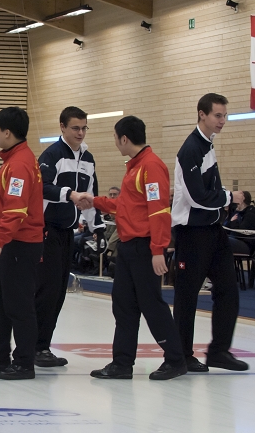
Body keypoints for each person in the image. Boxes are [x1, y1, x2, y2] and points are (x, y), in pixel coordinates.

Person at [88, 116, 186, 380]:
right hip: (129, 248)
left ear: (124, 138)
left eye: (115, 138)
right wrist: (95, 201)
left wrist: (158, 249)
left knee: (151, 304)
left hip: (144, 248)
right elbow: (126, 206)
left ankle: (176, 359)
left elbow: (159, 211)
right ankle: (121, 363)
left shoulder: (150, 167)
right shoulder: (134, 168)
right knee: (124, 306)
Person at [171, 93, 249, 373]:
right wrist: (229, 197)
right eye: (218, 115)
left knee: (228, 289)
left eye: (225, 116)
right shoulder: (191, 149)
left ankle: (218, 351)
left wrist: (224, 200)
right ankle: (181, 354)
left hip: (213, 231)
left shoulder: (208, 146)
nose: (223, 121)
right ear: (202, 114)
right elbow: (196, 196)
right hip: (192, 233)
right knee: (187, 294)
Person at [0, 106, 44, 380]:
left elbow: (17, 211)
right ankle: (0, 356)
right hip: (13, 241)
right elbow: (13, 204)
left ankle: (24, 362)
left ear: (8, 132)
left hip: (19, 244)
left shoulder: (19, 164)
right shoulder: (15, 160)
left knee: (18, 305)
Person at [34, 106, 105, 367]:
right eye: (75, 127)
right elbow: (42, 187)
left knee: (59, 292)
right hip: (46, 230)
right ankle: (34, 346)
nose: (80, 132)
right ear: (62, 127)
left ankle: (44, 346)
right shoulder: (52, 155)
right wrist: (68, 194)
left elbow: (90, 196)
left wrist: (97, 229)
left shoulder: (88, 158)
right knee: (46, 290)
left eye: (84, 127)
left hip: (67, 232)